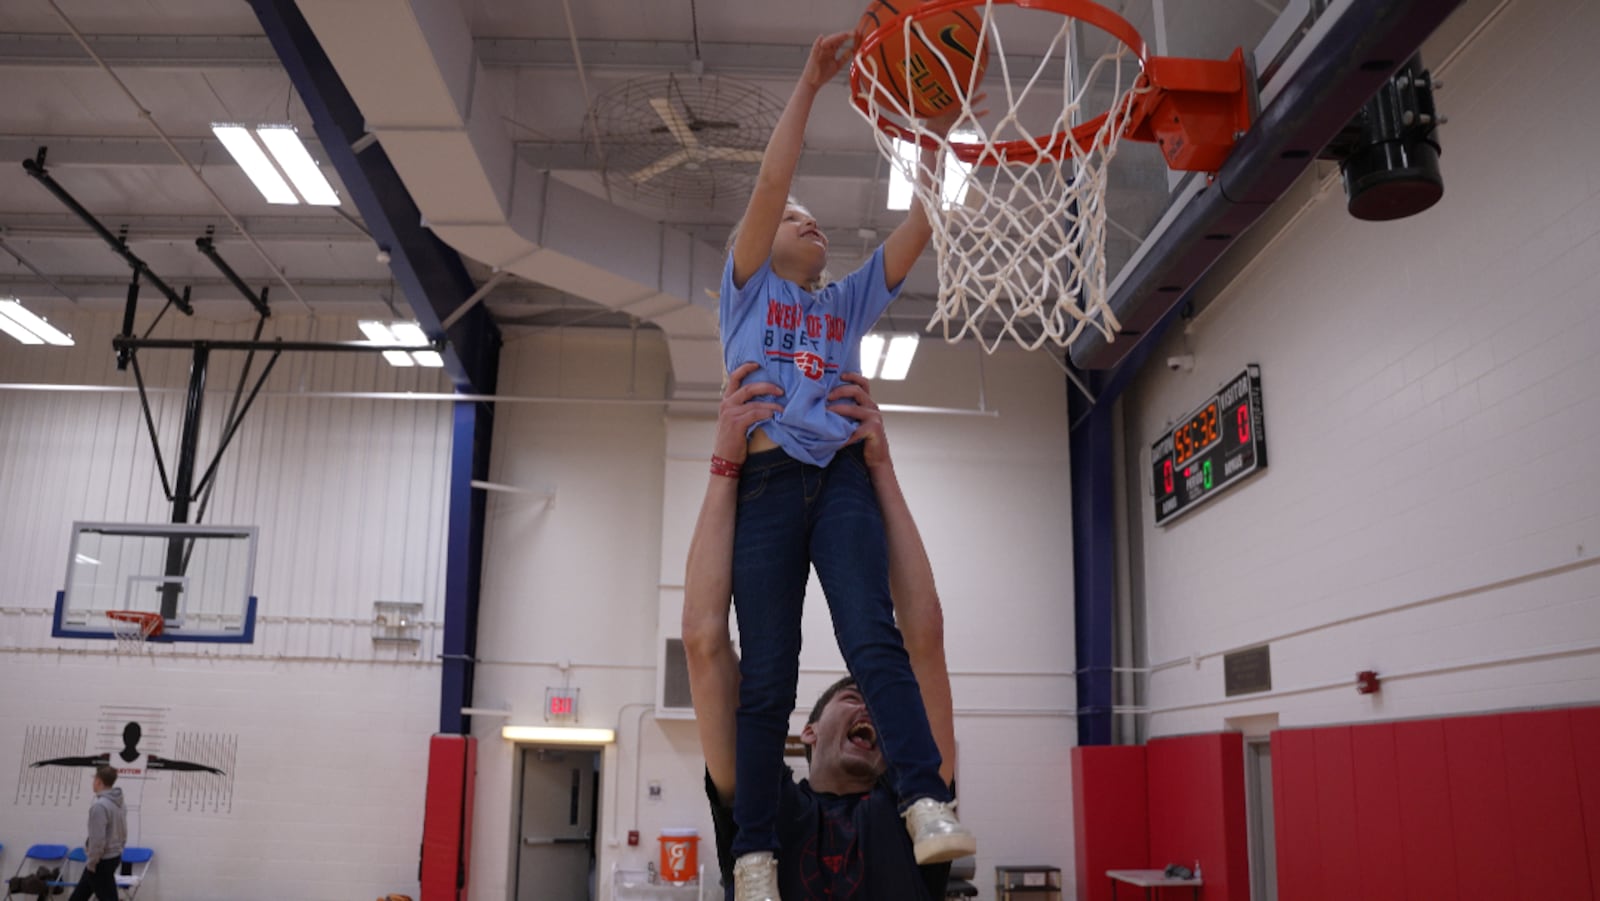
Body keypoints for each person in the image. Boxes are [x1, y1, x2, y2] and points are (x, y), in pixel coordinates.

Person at [714, 29, 973, 901]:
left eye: (815, 219)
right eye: (796, 218)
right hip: (763, 483)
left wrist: (933, 139)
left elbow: (920, 226)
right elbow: (769, 184)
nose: (808, 219)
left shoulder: (845, 302)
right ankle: (754, 849)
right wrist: (809, 83)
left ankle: (926, 800)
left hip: (840, 483)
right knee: (770, 672)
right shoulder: (747, 286)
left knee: (874, 636)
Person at [687, 364, 963, 901]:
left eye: (879, 709)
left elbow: (923, 642)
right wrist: (724, 469)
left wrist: (880, 469)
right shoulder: (765, 807)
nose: (873, 716)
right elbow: (703, 641)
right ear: (806, 733)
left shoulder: (910, 818)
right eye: (855, 696)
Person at [70, 765, 127, 901]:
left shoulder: (100, 806)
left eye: (93, 779)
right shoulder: (120, 804)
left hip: (101, 861)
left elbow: (97, 840)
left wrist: (92, 862)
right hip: (112, 857)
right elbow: (124, 833)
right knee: (78, 897)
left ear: (98, 781)